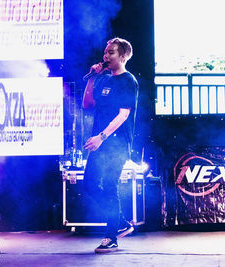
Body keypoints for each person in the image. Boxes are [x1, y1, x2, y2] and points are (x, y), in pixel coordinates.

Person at [82, 37, 139, 253]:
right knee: (88, 185)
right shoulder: (104, 79)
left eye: (111, 53)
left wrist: (101, 137)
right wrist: (92, 78)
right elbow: (87, 104)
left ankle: (111, 236)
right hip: (99, 143)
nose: (106, 56)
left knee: (108, 186)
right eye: (105, 52)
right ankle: (121, 223)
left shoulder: (128, 81)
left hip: (116, 143)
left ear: (123, 56)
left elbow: (123, 114)